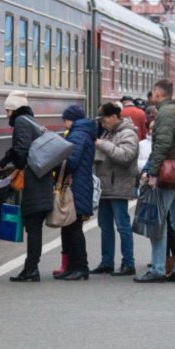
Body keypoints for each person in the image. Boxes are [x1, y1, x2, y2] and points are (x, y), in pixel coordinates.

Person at [134, 79, 175, 284]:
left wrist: (153, 172)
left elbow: (162, 145)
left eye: (153, 93)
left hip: (168, 172)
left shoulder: (165, 114)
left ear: (158, 94)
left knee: (159, 220)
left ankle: (158, 268)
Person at [0, 91, 54, 282]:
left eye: (7, 111)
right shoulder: (32, 121)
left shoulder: (21, 122)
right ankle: (31, 268)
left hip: (33, 184)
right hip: (41, 182)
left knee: (33, 228)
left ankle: (31, 269)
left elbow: (21, 151)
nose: (6, 115)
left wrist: (13, 166)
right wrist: (5, 160)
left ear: (14, 109)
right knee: (34, 228)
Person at [92, 103, 139, 276]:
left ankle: (128, 262)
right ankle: (107, 262)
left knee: (122, 225)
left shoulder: (128, 133)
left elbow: (126, 156)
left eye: (104, 120)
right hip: (105, 185)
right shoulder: (107, 132)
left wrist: (103, 145)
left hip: (118, 185)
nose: (103, 124)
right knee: (104, 225)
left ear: (114, 117)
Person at [53, 105, 96, 281]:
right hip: (79, 185)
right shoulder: (83, 132)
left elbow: (71, 162)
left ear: (71, 119)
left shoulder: (77, 134)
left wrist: (55, 161)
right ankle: (72, 267)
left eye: (65, 120)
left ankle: (81, 268)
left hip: (76, 187)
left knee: (74, 228)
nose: (64, 124)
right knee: (70, 228)